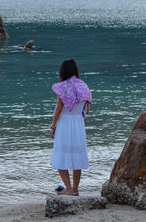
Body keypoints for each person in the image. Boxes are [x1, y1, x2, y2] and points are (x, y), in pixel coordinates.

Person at [50, 59, 92, 196]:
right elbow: (87, 109)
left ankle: (68, 189)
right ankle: (75, 189)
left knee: (61, 157)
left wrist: (53, 127)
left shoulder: (62, 87)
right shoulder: (83, 86)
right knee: (77, 158)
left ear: (63, 71)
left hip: (65, 124)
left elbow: (59, 109)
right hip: (78, 124)